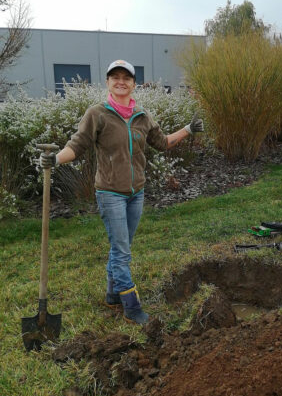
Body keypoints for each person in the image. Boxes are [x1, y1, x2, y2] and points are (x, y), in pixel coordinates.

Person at [40, 59, 204, 325]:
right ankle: (131, 305)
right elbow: (77, 145)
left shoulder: (143, 115)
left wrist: (187, 130)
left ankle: (112, 294)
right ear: (107, 82)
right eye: (115, 77)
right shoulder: (97, 114)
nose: (121, 81)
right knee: (122, 250)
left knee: (121, 247)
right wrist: (56, 159)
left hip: (136, 192)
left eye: (126, 78)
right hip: (110, 193)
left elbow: (162, 143)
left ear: (133, 84)